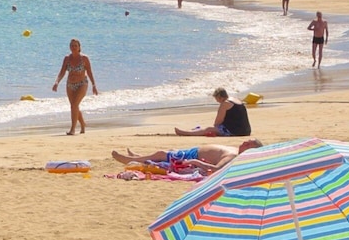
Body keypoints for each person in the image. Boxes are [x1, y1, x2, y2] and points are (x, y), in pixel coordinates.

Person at [111, 139, 264, 175]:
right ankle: (139, 157)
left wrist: (194, 161)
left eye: (248, 143)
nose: (245, 141)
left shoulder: (232, 156)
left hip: (193, 155)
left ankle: (128, 159)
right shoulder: (235, 150)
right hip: (193, 151)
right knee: (166, 152)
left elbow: (216, 168)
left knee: (161, 154)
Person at [51, 38, 98, 135]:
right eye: (72, 45)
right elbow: (62, 72)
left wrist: (94, 85)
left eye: (75, 46)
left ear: (79, 47)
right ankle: (83, 124)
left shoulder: (84, 58)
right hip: (70, 85)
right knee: (74, 106)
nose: (73, 47)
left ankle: (72, 129)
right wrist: (56, 82)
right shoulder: (67, 59)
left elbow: (89, 72)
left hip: (82, 83)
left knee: (74, 105)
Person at [173, 88, 251, 137]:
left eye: (216, 98)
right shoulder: (235, 100)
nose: (216, 101)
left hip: (236, 131)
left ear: (219, 97)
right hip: (246, 130)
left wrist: (216, 129)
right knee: (210, 129)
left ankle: (186, 133)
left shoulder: (224, 104)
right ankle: (192, 131)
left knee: (208, 129)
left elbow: (217, 122)